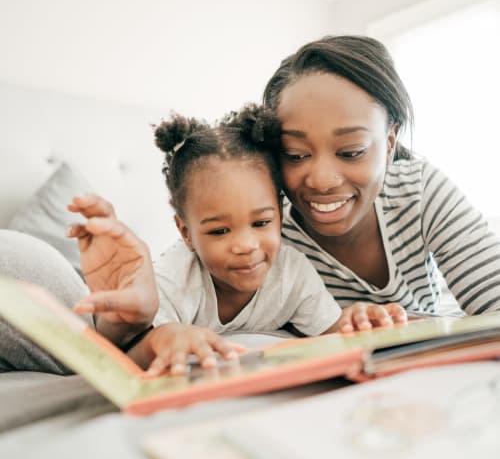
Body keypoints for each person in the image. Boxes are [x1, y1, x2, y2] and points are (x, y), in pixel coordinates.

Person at [69, 104, 406, 375]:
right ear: (186, 233)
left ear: (280, 213)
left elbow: (332, 334)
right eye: (219, 231)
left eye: (261, 222)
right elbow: (135, 350)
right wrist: (165, 337)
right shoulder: (173, 278)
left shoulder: (293, 272)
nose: (246, 245)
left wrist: (354, 321)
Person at [262, 35, 500, 316]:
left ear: (389, 143)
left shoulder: (419, 191)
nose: (322, 181)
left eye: (351, 152)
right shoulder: (266, 226)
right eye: (295, 154)